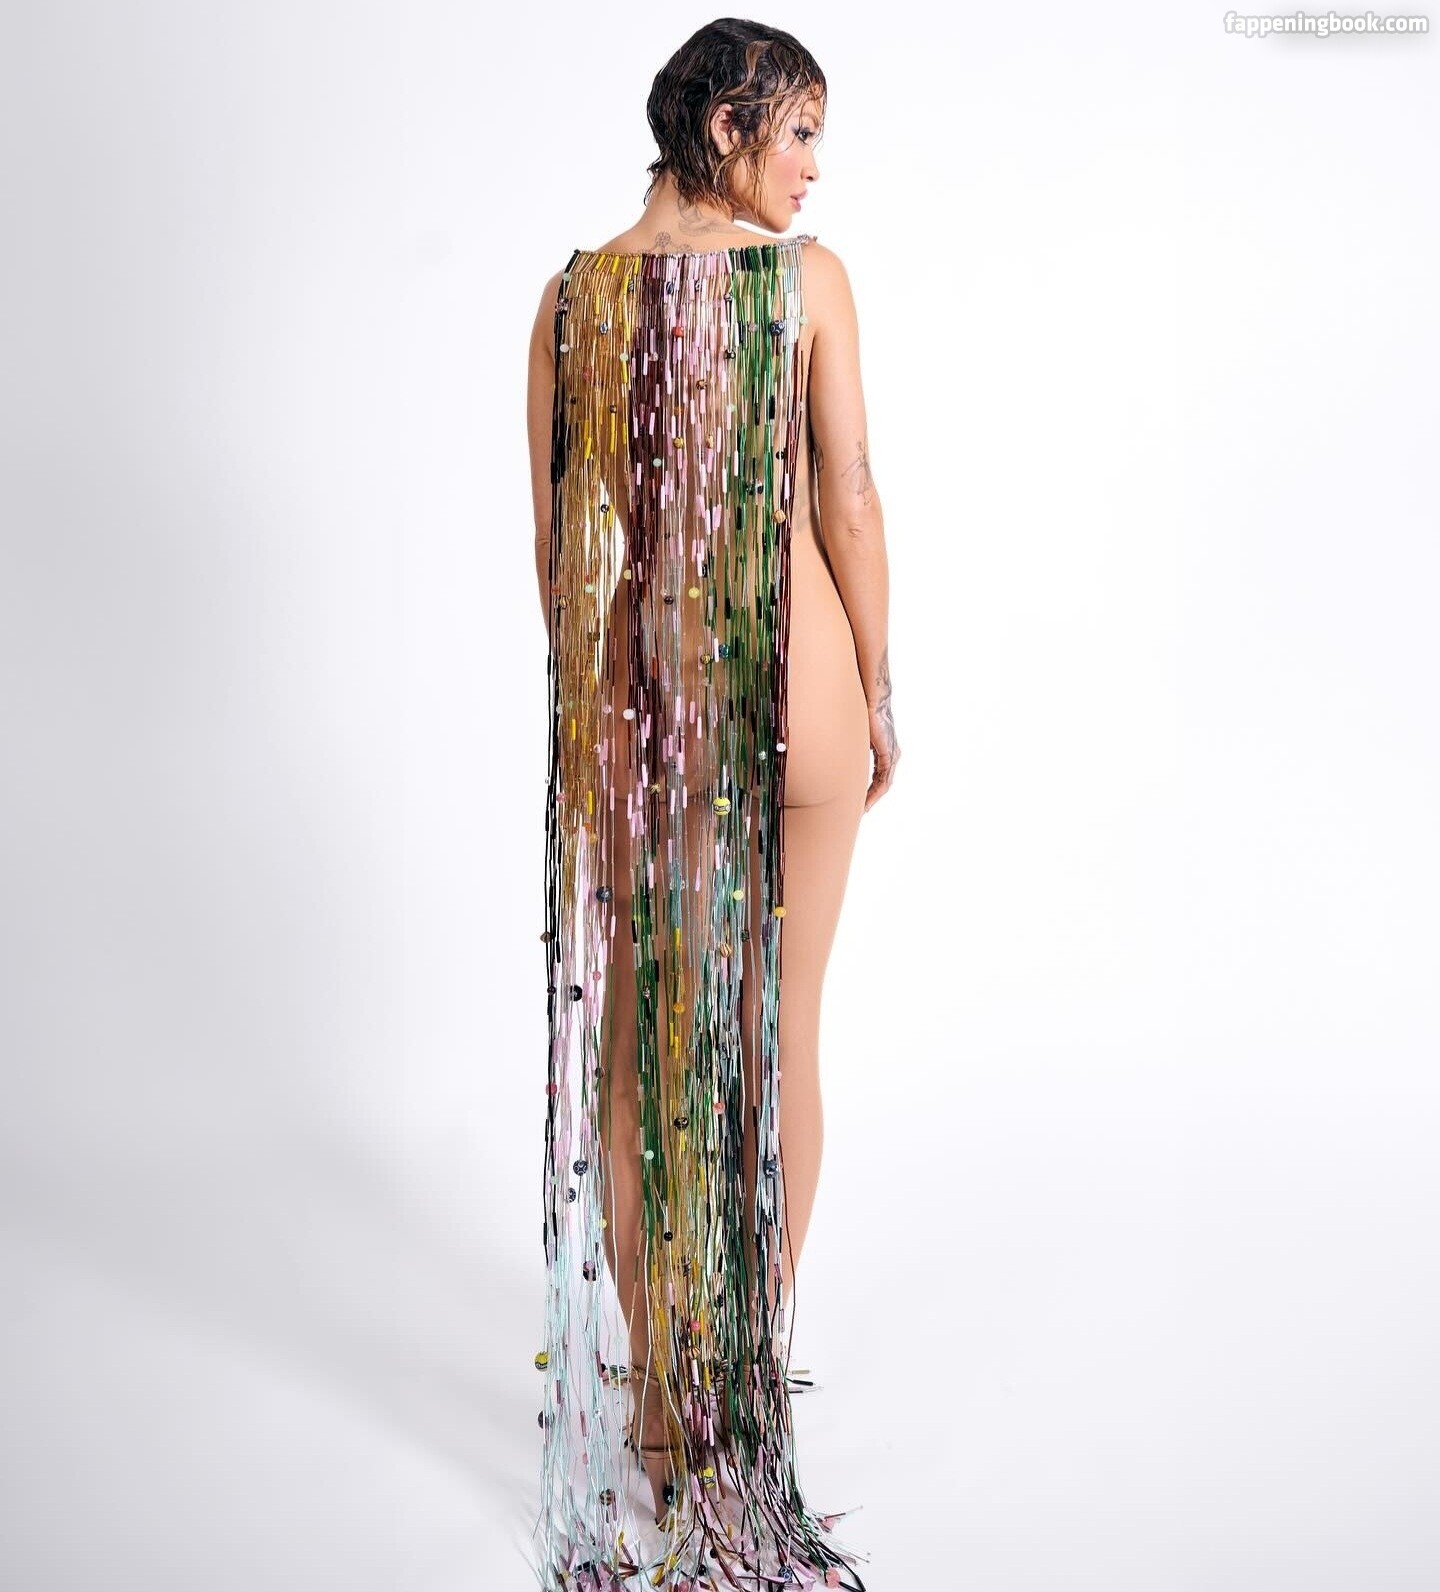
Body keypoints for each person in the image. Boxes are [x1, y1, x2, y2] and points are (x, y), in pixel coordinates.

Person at [525, 19, 897, 1590]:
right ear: (728, 125)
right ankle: (740, 1388)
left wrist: (592, 725)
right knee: (779, 1031)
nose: (813, 168)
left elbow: (564, 553)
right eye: (798, 131)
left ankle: (666, 1415)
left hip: (649, 701)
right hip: (803, 689)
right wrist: (878, 685)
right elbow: (848, 499)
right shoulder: (806, 285)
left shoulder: (573, 303)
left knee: (642, 1050)